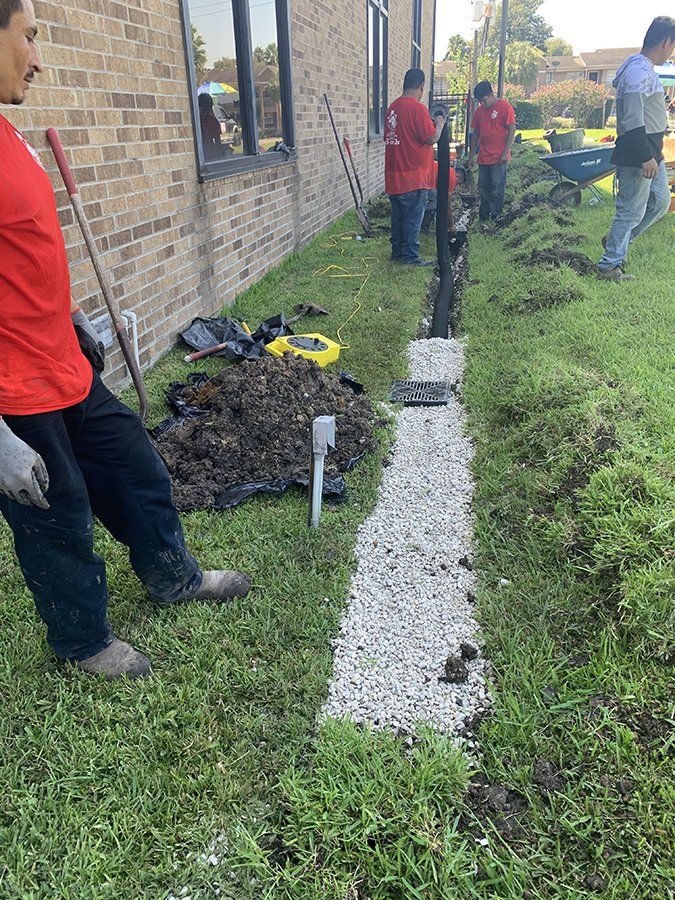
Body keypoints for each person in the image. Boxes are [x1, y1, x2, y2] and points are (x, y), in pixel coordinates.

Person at [0, 0, 251, 680]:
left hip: (59, 359)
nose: (39, 57)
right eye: (28, 37)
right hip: (12, 390)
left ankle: (173, 576)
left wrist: (71, 308)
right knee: (58, 515)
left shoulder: (7, 134)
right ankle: (81, 641)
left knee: (133, 465)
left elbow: (21, 250)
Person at [595, 16, 675, 282]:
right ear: (666, 42)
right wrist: (645, 156)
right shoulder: (638, 71)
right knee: (631, 211)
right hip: (639, 153)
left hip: (653, 150)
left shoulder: (643, 67)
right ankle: (609, 265)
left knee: (661, 202)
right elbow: (632, 119)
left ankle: (619, 240)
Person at [384, 68, 446, 266]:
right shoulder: (417, 109)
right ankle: (410, 256)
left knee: (398, 218)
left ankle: (397, 252)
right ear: (421, 86)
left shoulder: (392, 108)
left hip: (394, 175)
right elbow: (431, 138)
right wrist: (440, 125)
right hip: (413, 176)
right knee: (412, 218)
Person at [467, 81, 516, 224]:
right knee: (483, 187)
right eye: (480, 101)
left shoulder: (504, 107)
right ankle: (484, 215)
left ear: (491, 94)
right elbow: (475, 134)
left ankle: (496, 216)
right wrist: (471, 156)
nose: (482, 104)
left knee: (496, 187)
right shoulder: (479, 112)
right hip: (484, 157)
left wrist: (505, 152)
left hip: (499, 157)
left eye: (484, 100)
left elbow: (511, 129)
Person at [422, 161, 467, 235]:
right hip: (423, 178)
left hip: (424, 175)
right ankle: (424, 227)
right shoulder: (451, 178)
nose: (457, 186)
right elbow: (447, 205)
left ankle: (428, 223)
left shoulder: (448, 171)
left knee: (435, 198)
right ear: (458, 176)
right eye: (459, 183)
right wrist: (451, 225)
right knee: (437, 200)